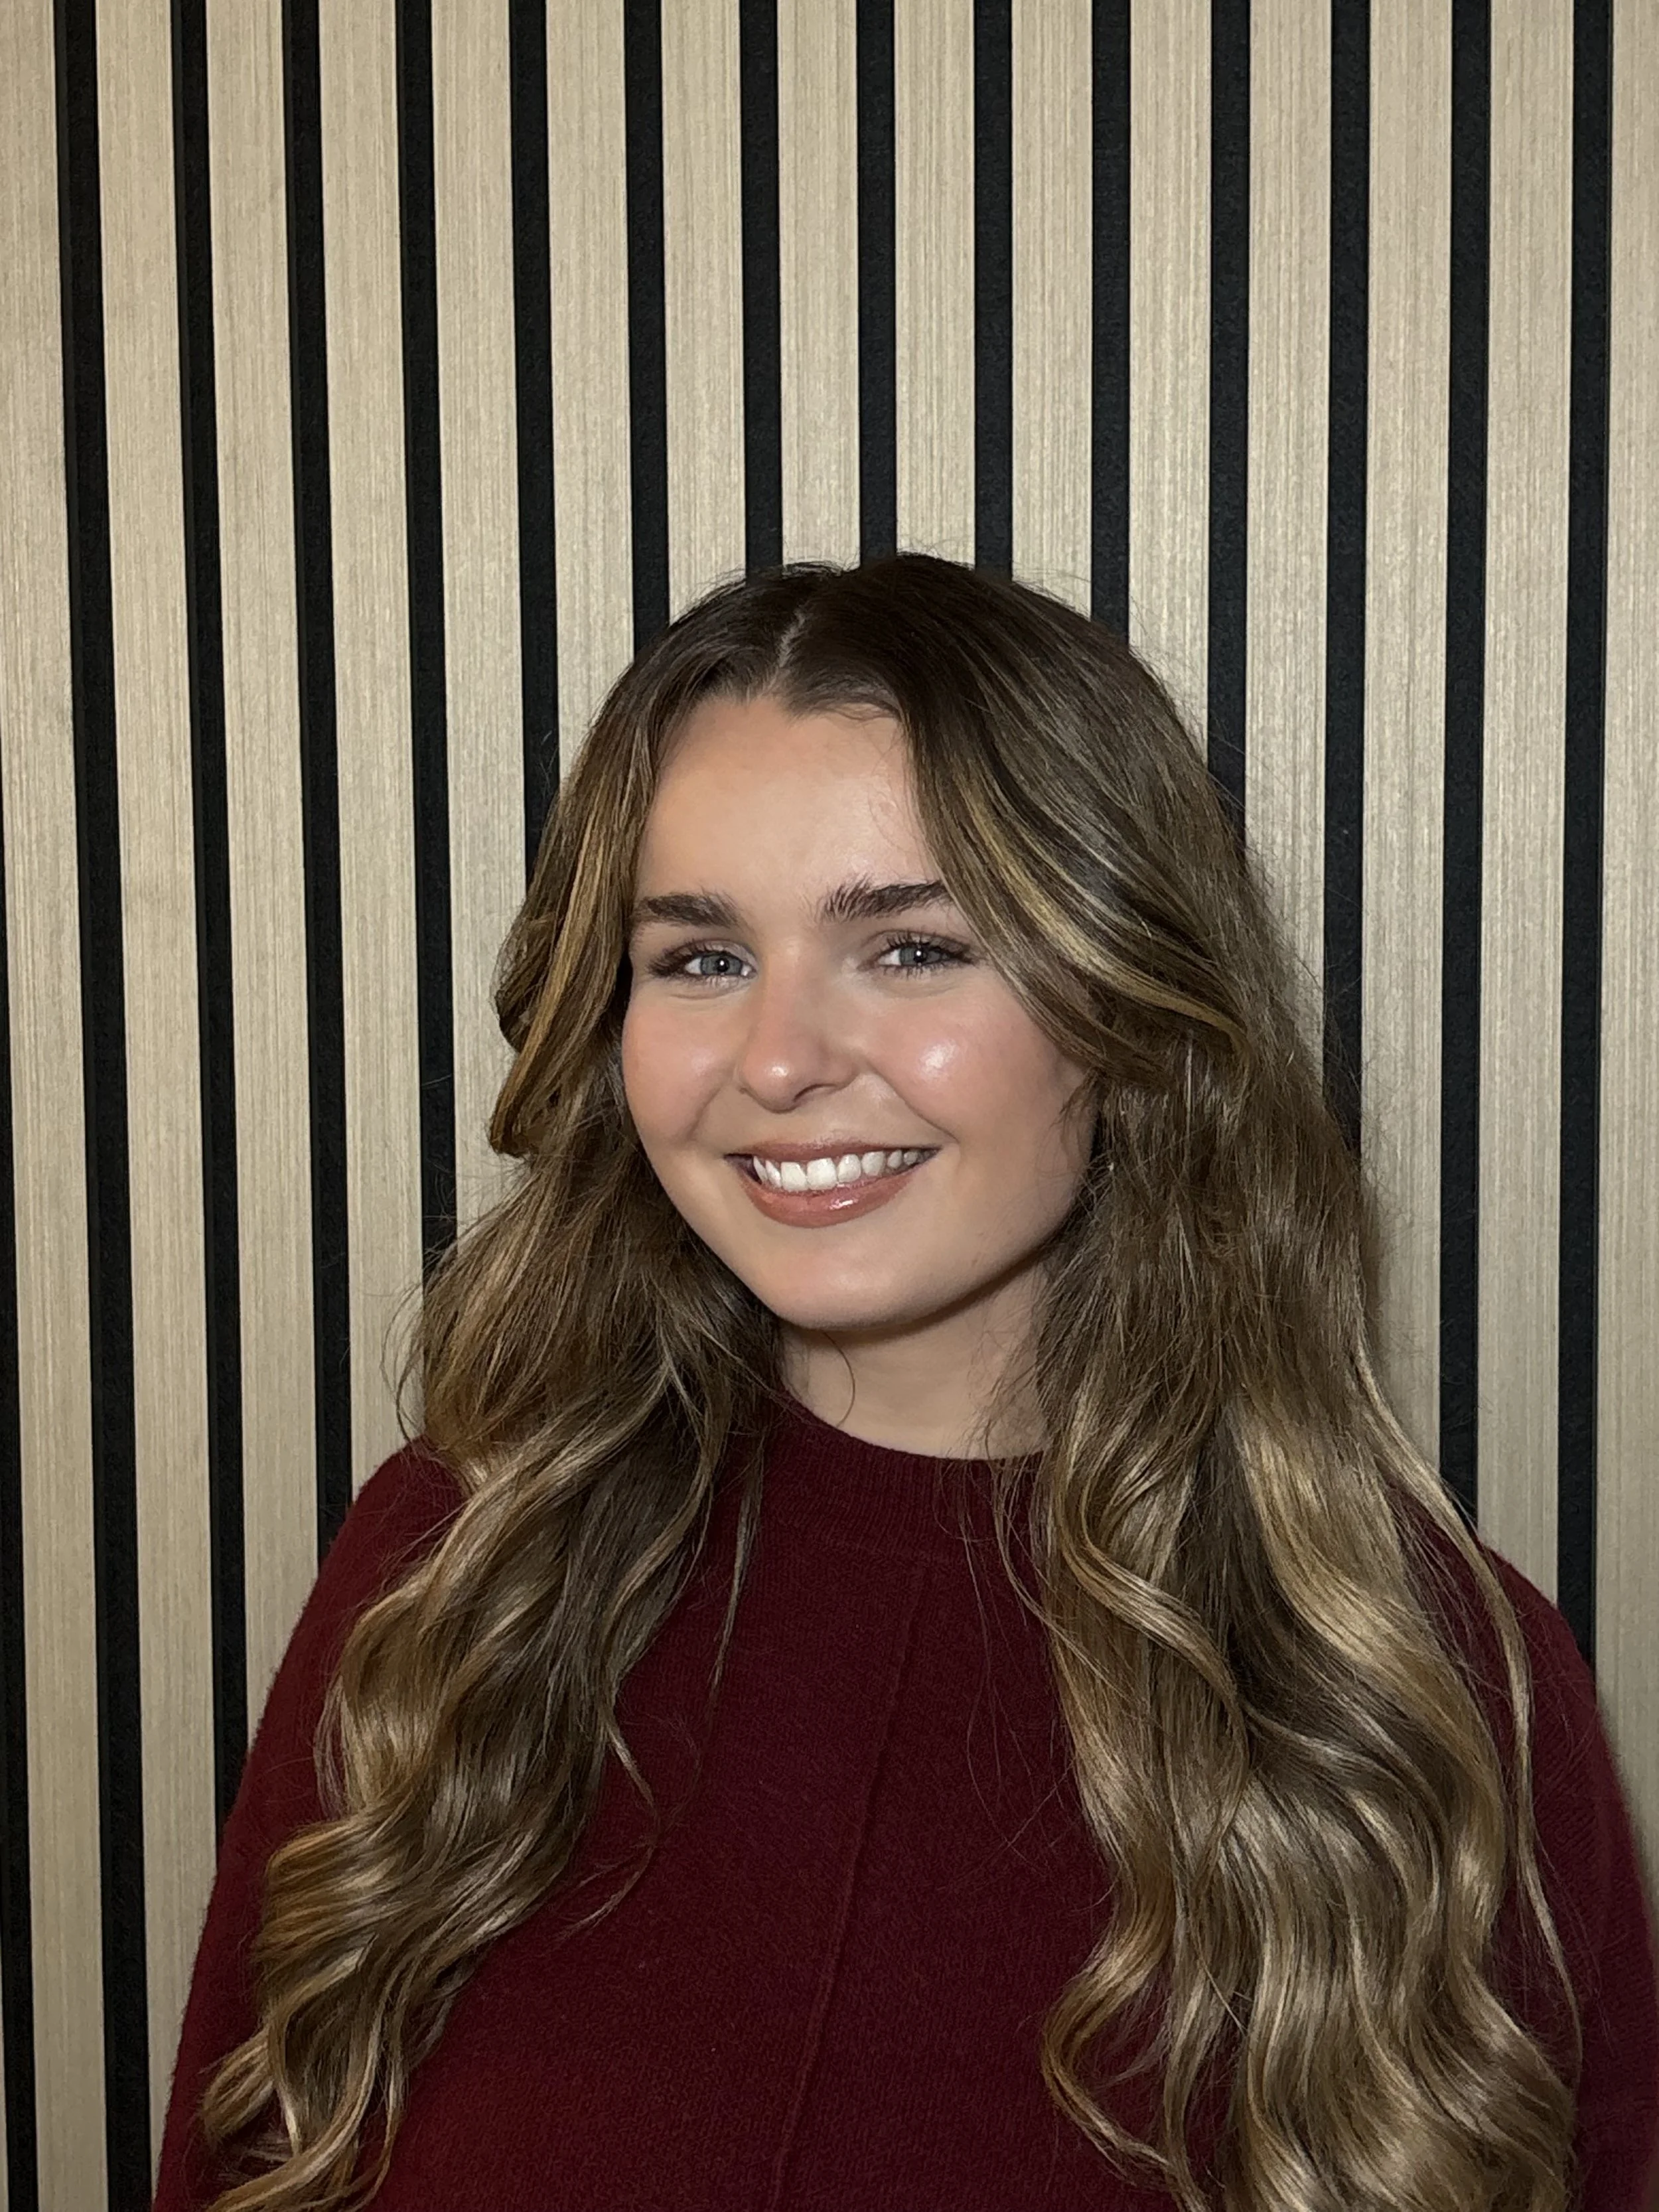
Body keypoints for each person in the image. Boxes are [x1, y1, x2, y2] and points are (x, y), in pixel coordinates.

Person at [153, 554, 1659, 2212]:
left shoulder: (1426, 1684)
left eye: (913, 946)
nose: (781, 1059)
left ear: (1125, 1006)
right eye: (699, 958)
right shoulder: (453, 1575)